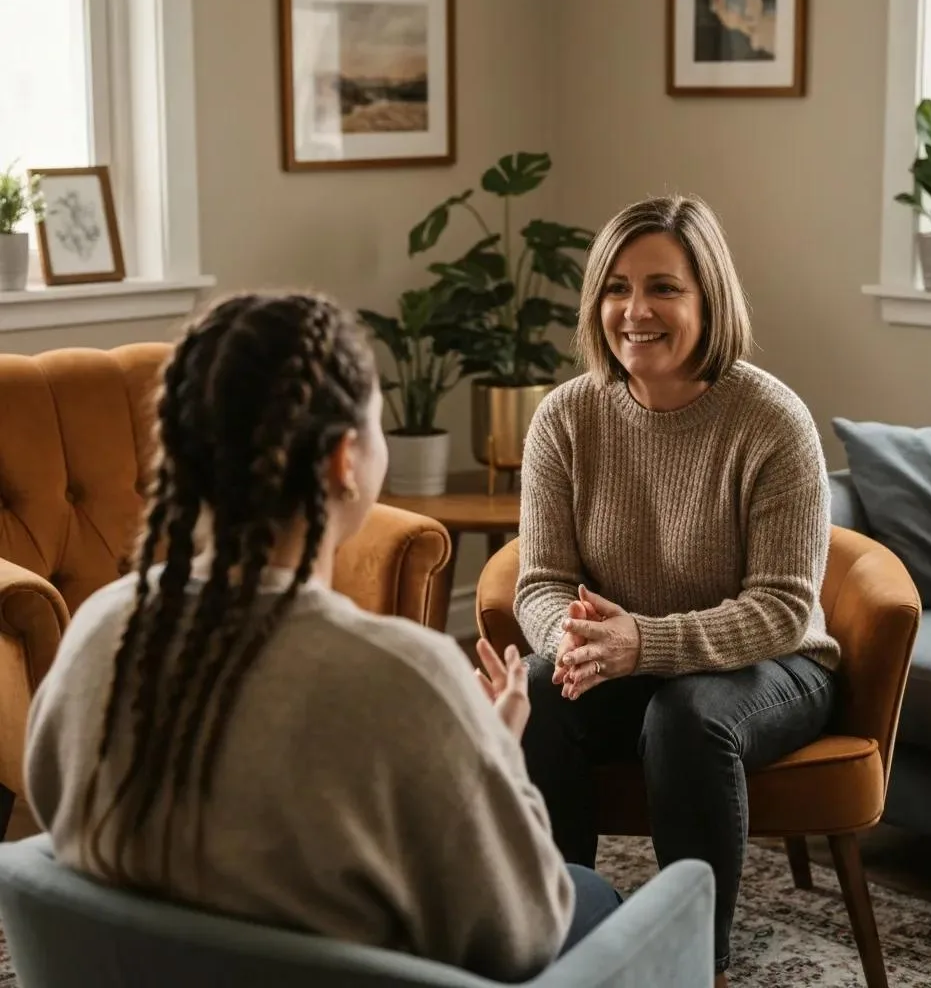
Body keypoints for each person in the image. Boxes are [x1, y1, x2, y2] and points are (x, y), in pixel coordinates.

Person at [23, 291, 620, 984]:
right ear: (343, 458)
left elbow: (59, 827)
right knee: (595, 896)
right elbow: (520, 935)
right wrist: (496, 758)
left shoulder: (101, 626)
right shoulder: (405, 677)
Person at [514, 195, 840, 985]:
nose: (636, 311)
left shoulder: (771, 420)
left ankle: (700, 964)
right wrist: (576, 644)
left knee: (688, 713)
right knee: (542, 684)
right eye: (617, 287)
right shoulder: (565, 416)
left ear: (709, 300)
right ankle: (554, 938)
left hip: (776, 666)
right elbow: (541, 582)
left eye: (664, 288)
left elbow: (784, 608)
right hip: (627, 659)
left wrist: (643, 643)